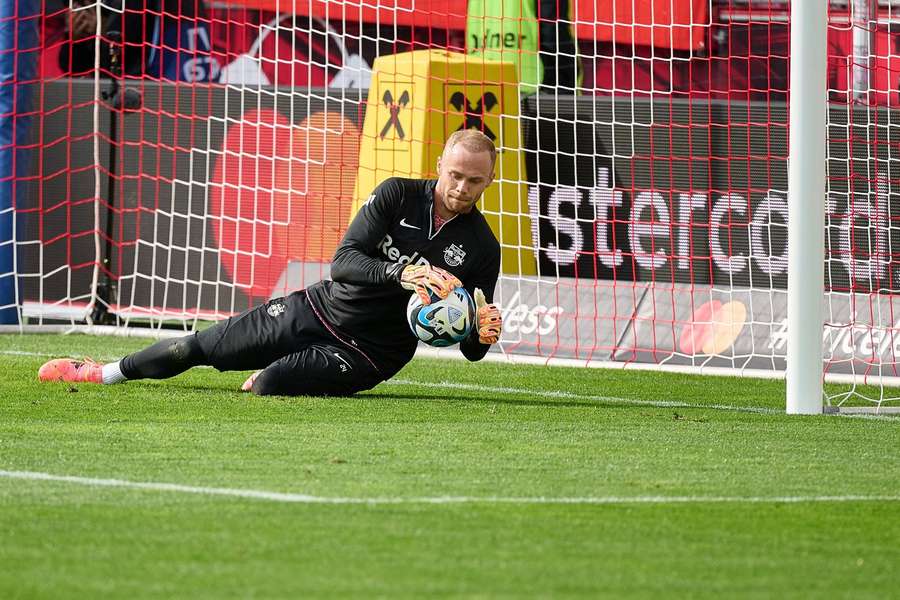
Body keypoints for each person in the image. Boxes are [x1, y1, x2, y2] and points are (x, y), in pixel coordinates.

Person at [38, 129, 504, 397]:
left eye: (475, 181)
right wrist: (400, 272)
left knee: (269, 385)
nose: (462, 187)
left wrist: (480, 334)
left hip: (369, 354)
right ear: (440, 163)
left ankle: (273, 368)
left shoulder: (482, 247)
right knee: (201, 347)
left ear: (489, 181)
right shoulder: (396, 193)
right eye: (455, 174)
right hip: (320, 309)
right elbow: (343, 261)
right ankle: (102, 372)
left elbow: (470, 346)